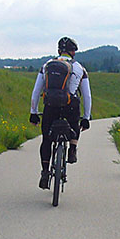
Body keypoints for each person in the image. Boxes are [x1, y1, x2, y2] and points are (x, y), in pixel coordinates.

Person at [29, 36, 92, 189]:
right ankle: (72, 149)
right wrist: (86, 117)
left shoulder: (47, 66)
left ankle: (45, 172)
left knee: (46, 140)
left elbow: (36, 91)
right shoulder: (79, 68)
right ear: (73, 52)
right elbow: (87, 95)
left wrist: (34, 112)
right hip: (71, 106)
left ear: (58, 51)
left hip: (51, 106)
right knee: (75, 123)